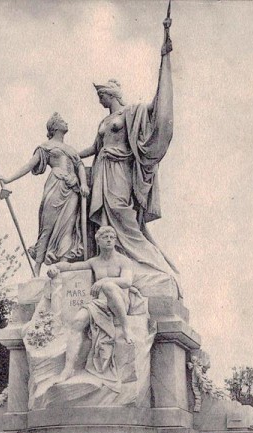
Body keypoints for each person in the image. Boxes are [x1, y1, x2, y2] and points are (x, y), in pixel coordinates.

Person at [79, 17, 181, 297]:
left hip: (120, 170)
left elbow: (156, 107)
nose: (100, 99)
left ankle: (153, 265)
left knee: (124, 216)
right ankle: (116, 263)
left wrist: (164, 64)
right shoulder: (104, 121)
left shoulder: (131, 112)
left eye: (101, 94)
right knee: (107, 221)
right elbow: (93, 148)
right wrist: (69, 155)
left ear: (109, 94)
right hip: (102, 170)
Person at [0, 113, 89, 276]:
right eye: (62, 121)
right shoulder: (45, 147)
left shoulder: (71, 149)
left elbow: (80, 166)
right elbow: (28, 165)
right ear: (54, 127)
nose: (66, 122)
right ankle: (37, 269)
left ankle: (63, 264)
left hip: (72, 189)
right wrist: (8, 179)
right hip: (56, 185)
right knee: (47, 226)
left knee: (68, 226)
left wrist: (83, 184)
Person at [47, 226, 136, 387]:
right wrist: (55, 267)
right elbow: (71, 267)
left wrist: (103, 281)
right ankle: (68, 369)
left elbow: (127, 281)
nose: (109, 239)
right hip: (99, 304)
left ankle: (126, 328)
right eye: (105, 237)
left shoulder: (124, 261)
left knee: (108, 287)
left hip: (120, 301)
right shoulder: (94, 262)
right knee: (77, 321)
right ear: (98, 241)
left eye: (112, 236)